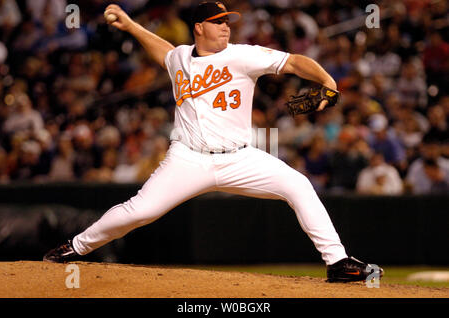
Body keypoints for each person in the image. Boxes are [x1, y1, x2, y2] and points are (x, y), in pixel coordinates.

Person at [43, 1, 383, 283]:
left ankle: (337, 262)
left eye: (227, 22)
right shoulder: (179, 58)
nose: (226, 27)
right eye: (217, 22)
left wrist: (326, 79)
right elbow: (165, 52)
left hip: (240, 158)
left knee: (298, 185)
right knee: (139, 211)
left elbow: (293, 61)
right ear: (198, 27)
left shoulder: (242, 55)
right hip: (188, 159)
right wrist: (132, 25)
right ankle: (76, 246)